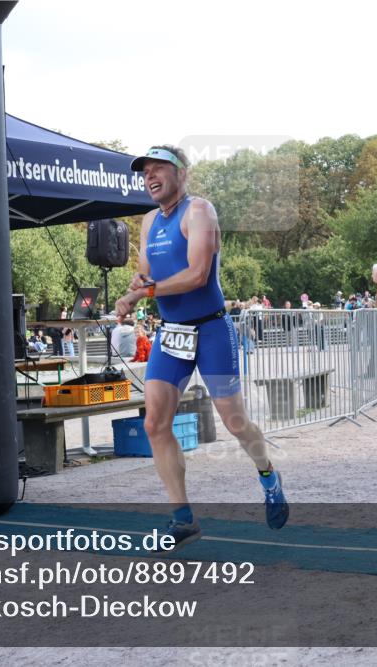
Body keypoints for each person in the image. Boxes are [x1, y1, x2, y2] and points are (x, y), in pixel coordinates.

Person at [115, 144, 288, 550]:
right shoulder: (148, 221)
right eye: (145, 173)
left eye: (159, 169)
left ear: (182, 173)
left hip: (211, 330)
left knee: (234, 421)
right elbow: (143, 277)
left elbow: (196, 275)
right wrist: (130, 297)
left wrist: (149, 290)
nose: (150, 177)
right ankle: (182, 518)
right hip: (172, 334)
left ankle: (267, 473)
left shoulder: (200, 212)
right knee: (155, 423)